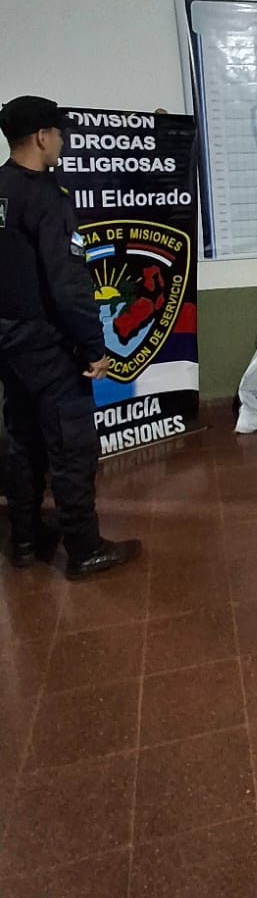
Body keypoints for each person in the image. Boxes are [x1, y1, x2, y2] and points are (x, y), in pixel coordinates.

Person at [0, 95, 141, 576]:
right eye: (58, 134)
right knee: (72, 447)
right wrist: (94, 347)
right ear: (42, 137)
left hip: (9, 344)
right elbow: (67, 285)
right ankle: (84, 549)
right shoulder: (46, 197)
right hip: (49, 345)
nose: (62, 142)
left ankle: (25, 539)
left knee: (23, 439)